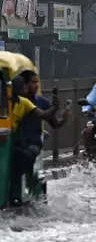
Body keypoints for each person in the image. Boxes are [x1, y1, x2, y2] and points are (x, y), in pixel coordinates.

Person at [10, 72, 67, 206]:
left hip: (32, 142)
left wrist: (60, 112)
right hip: (13, 142)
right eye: (33, 82)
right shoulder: (7, 102)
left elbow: (50, 119)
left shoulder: (32, 102)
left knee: (24, 157)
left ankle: (28, 188)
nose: (36, 85)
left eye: (37, 82)